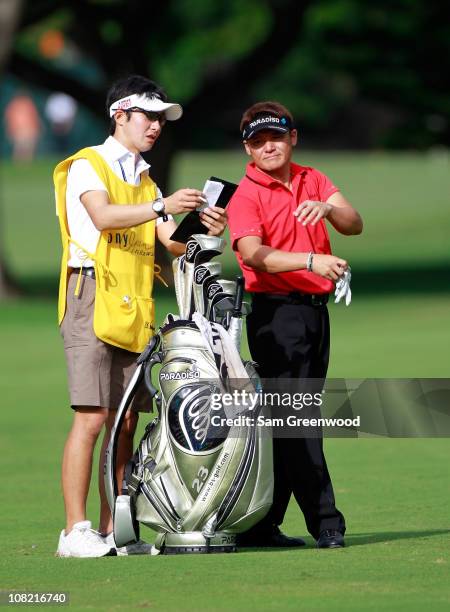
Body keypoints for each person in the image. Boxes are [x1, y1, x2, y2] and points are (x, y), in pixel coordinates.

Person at [53, 75, 227, 557]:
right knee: (91, 418)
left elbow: (171, 242)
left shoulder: (145, 177)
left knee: (126, 421)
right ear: (120, 115)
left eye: (161, 119)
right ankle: (74, 531)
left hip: (132, 302)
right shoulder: (90, 164)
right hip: (90, 294)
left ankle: (114, 529)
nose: (156, 126)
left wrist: (203, 227)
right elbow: (104, 217)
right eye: (148, 116)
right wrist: (159, 206)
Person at [227, 101, 363, 549]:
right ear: (247, 148)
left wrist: (327, 209)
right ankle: (327, 523)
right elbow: (250, 253)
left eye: (276, 138)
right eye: (258, 141)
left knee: (289, 417)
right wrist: (311, 259)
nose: (269, 147)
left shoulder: (313, 179)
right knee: (298, 415)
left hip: (313, 313)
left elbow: (354, 224)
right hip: (276, 314)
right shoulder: (247, 194)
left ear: (293, 139)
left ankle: (263, 524)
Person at [4, 93, 41, 161]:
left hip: (28, 129)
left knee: (28, 148)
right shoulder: (14, 104)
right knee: (19, 148)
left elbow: (34, 117)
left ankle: (27, 163)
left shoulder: (28, 103)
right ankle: (18, 163)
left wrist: (35, 128)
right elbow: (9, 118)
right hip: (18, 129)